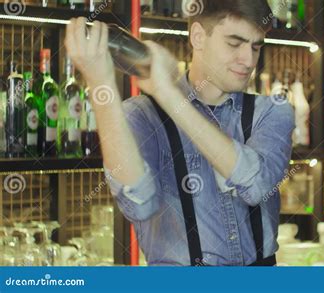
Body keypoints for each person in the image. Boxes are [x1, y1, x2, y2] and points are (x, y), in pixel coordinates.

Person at [65, 0, 295, 266]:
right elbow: (139, 204)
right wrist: (100, 81)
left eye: (256, 47)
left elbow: (256, 187)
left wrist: (166, 93)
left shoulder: (271, 112)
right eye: (234, 43)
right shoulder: (141, 115)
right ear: (198, 36)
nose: (248, 60)